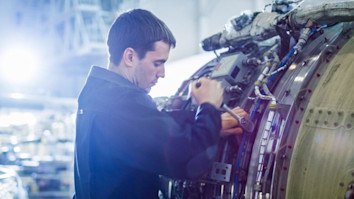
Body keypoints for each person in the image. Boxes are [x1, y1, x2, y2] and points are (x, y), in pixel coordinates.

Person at [73, 8, 248, 199]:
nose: (162, 73)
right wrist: (208, 106)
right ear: (130, 57)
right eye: (157, 63)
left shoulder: (98, 93)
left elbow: (149, 125)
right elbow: (190, 161)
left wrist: (212, 123)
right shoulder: (122, 103)